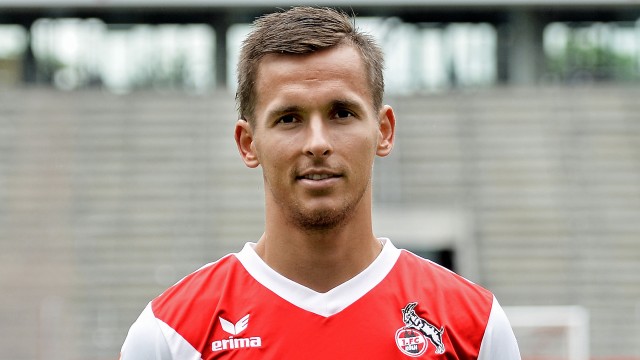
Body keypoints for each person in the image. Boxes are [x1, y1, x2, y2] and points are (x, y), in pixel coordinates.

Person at [120, 6, 521, 359]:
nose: (317, 143)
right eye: (289, 118)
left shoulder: (474, 326)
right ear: (248, 143)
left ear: (383, 131)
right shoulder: (170, 336)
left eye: (342, 113)